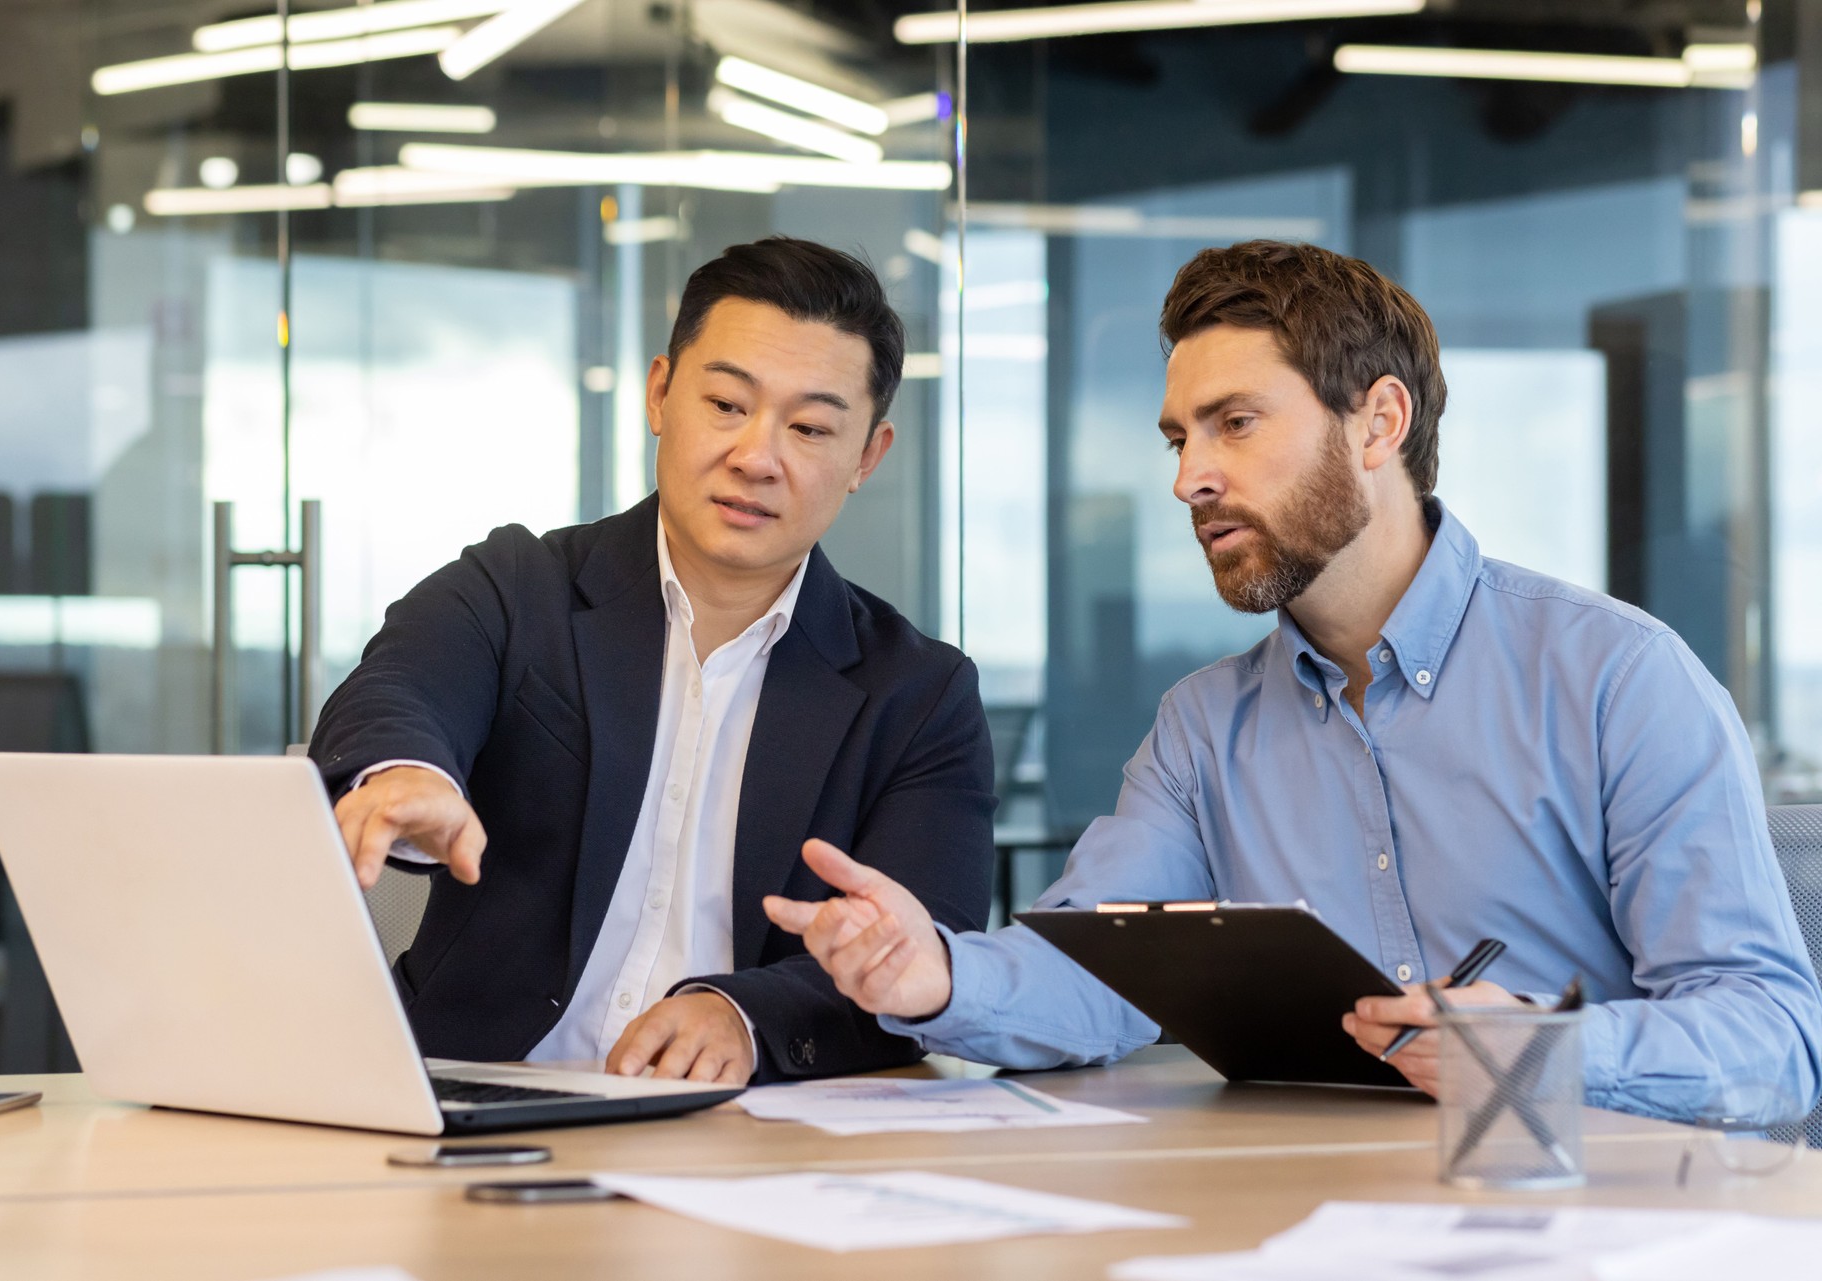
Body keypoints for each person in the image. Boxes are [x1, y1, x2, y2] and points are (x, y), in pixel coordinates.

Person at [765, 240, 1822, 1125]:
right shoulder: (1202, 730)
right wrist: (932, 976)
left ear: (1379, 423)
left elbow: (1775, 1041)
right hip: (1309, 1213)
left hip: (1593, 1219)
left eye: (1236, 423)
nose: (1190, 478)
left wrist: (1543, 1048)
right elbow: (1103, 977)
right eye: (1181, 438)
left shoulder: (1616, 678)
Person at [312, 236, 995, 1087]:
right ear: (661, 394)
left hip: (742, 1131)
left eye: (811, 427)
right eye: (725, 404)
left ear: (867, 457)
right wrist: (408, 773)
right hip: (473, 1095)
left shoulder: (919, 695)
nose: (756, 455)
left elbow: (926, 951)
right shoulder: (520, 587)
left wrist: (744, 1016)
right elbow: (401, 685)